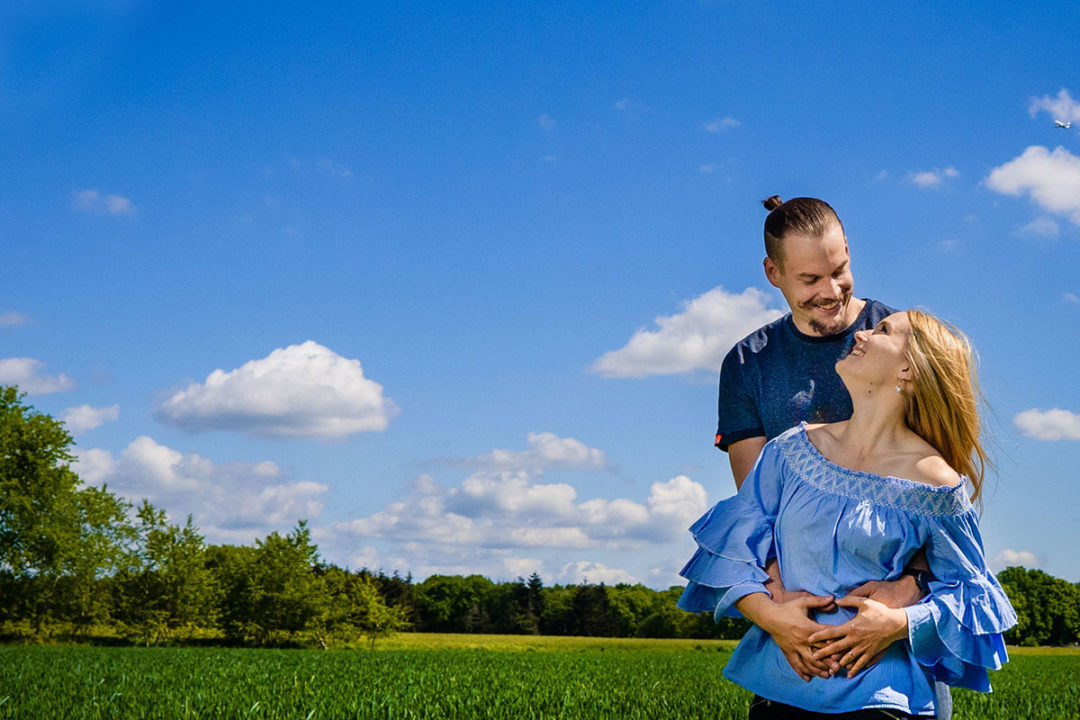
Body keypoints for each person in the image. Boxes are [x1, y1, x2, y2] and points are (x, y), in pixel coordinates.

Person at [679, 309, 1017, 717]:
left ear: (909, 368)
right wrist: (774, 618)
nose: (862, 335)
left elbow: (973, 595)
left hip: (883, 701)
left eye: (883, 331)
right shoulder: (790, 451)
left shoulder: (936, 482)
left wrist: (900, 624)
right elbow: (730, 551)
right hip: (781, 691)